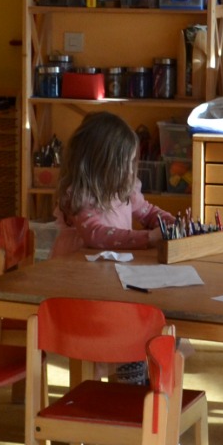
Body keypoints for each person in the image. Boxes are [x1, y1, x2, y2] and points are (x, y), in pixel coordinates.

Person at [50, 112, 175, 384]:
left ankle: (139, 368)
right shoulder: (79, 195)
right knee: (124, 320)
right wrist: (147, 238)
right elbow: (97, 235)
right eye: (126, 164)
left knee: (147, 312)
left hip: (111, 281)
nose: (132, 171)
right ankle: (129, 371)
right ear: (104, 164)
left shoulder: (123, 189)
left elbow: (147, 211)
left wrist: (171, 224)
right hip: (82, 288)